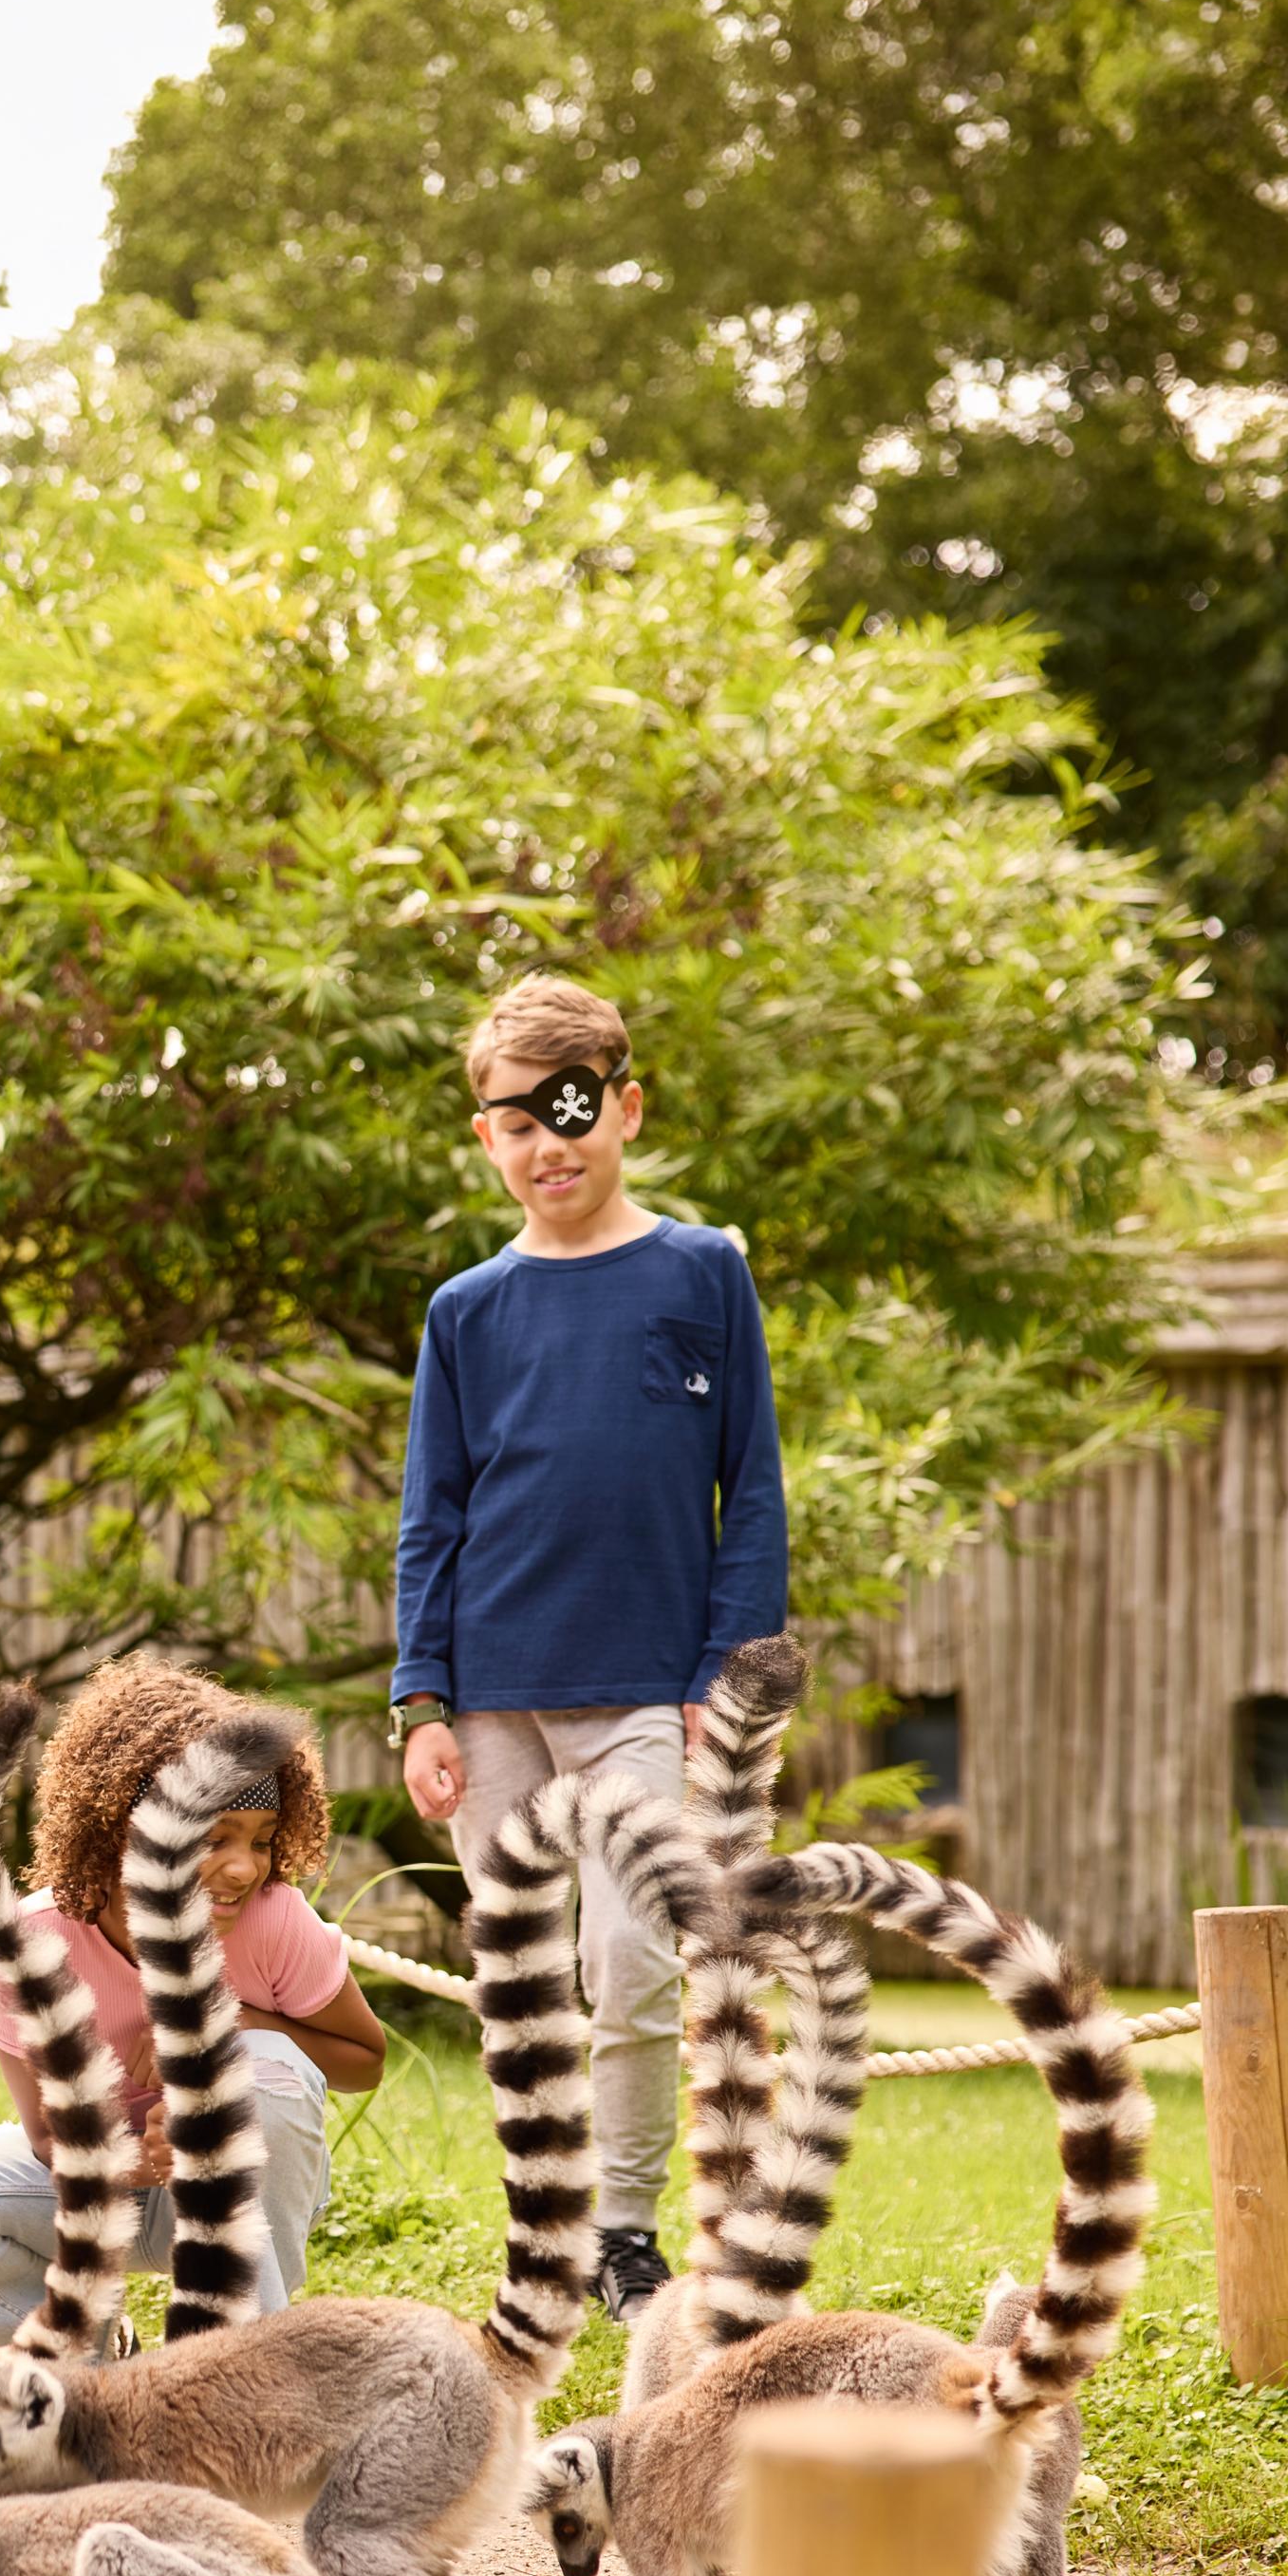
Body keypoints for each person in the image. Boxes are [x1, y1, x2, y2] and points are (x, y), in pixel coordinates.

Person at [391, 972, 790, 2317]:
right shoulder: (467, 1312)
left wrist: (727, 1674)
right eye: (517, 1121)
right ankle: (543, 2221)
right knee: (520, 1976)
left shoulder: (702, 1275)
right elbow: (431, 1514)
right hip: (493, 1695)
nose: (548, 1144)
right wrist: (422, 1698)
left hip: (645, 1696)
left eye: (573, 1111)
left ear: (624, 1106)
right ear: (485, 1137)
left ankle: (622, 2225)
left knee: (630, 1955)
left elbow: (755, 1491)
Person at [0, 1659, 384, 2340]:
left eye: (260, 1841)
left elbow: (364, 2060)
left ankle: (244, 2358)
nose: (245, 1867)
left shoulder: (274, 1920)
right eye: (213, 1839)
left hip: (246, 2188)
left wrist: (235, 2022)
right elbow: (46, 2136)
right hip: (105, 2184)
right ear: (121, 1830)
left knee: (263, 2057)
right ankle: (86, 2368)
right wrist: (143, 2162)